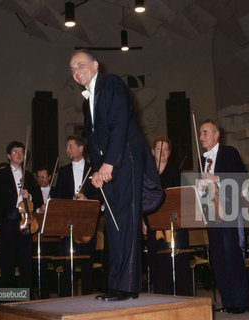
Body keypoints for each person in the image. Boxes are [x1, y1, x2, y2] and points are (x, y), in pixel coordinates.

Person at [69, 49, 162, 301]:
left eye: (80, 65)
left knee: (127, 222)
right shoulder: (85, 101)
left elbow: (120, 123)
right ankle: (117, 284)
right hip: (109, 165)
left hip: (126, 159)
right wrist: (97, 171)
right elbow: (94, 139)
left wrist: (109, 163)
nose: (76, 72)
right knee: (113, 225)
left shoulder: (112, 84)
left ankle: (127, 286)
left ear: (95, 64)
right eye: (72, 69)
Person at [199, 119, 249, 314]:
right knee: (218, 257)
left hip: (229, 209)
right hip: (211, 212)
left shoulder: (229, 153)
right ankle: (228, 301)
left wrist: (216, 178)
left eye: (205, 132)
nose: (202, 137)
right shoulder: (202, 159)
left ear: (217, 134)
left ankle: (241, 302)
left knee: (232, 254)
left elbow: (240, 179)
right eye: (201, 133)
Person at [0, 141, 43, 289]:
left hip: (25, 224)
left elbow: (39, 198)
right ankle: (7, 305)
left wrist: (30, 195)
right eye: (15, 152)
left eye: (21, 152)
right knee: (6, 266)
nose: (19, 154)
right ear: (8, 156)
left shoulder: (28, 176)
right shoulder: (0, 175)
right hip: (6, 224)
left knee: (26, 265)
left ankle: (25, 304)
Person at [144, 136, 191, 295]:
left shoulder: (176, 173)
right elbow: (142, 201)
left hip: (175, 224)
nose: (162, 152)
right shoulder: (147, 174)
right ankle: (161, 297)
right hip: (153, 224)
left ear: (169, 153)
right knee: (158, 261)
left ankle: (181, 296)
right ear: (152, 152)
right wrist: (142, 221)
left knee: (177, 261)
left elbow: (182, 199)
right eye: (159, 149)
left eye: (165, 149)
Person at [54, 135, 98, 296]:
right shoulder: (63, 171)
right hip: (68, 223)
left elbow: (100, 195)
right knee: (67, 262)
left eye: (70, 146)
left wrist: (87, 199)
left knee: (87, 261)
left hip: (86, 222)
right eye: (67, 147)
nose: (67, 150)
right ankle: (66, 298)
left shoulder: (93, 169)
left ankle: (86, 297)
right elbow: (58, 196)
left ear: (81, 148)